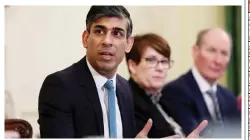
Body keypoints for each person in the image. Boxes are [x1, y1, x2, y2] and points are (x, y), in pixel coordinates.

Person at [38, 6, 207, 138]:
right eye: (99, 31)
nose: (107, 41)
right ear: (85, 38)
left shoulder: (124, 89)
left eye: (117, 33)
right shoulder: (60, 86)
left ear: (128, 44)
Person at [161, 28, 241, 138]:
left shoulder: (229, 97)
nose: (218, 60)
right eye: (211, 51)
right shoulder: (174, 92)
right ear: (195, 51)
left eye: (224, 53)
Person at [125, 33, 186, 138]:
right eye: (151, 60)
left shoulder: (164, 98)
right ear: (133, 66)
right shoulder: (127, 102)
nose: (160, 68)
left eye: (164, 61)